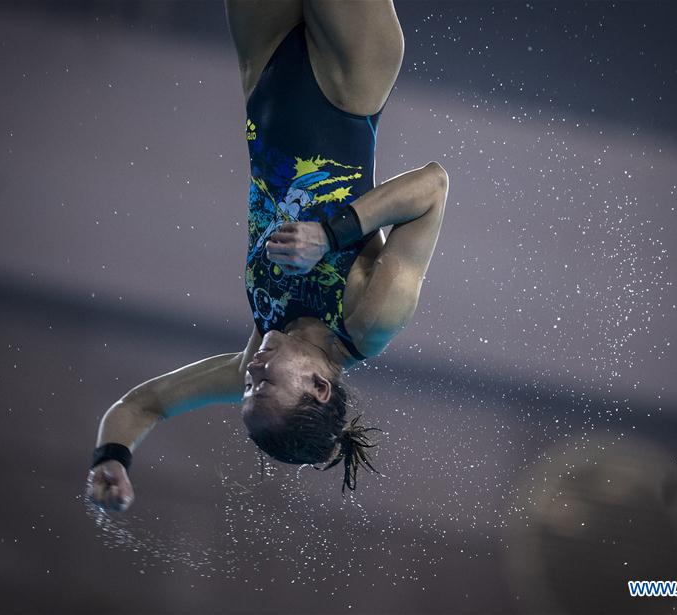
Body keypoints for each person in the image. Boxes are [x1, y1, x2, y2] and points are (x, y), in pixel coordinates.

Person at [86, 0, 448, 512]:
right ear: (319, 387)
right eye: (265, 381)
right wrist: (330, 234)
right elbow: (433, 186)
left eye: (247, 386)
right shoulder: (368, 322)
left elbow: (142, 405)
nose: (252, 368)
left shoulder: (262, 343)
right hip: (351, 81)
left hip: (266, 77)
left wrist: (112, 456)